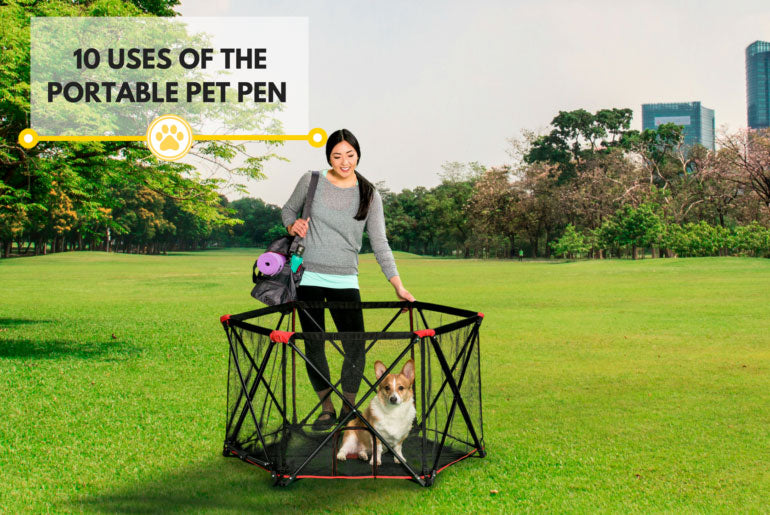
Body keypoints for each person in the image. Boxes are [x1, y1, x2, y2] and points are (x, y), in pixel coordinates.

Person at [282, 128, 415, 431]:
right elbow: (288, 210)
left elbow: (380, 243)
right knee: (314, 345)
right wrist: (293, 225)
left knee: (355, 347)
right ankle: (326, 408)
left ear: (358, 154)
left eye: (350, 155)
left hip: (345, 280)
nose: (344, 161)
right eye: (337, 155)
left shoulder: (369, 193)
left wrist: (398, 285)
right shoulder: (311, 180)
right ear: (328, 156)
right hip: (308, 277)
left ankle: (347, 408)